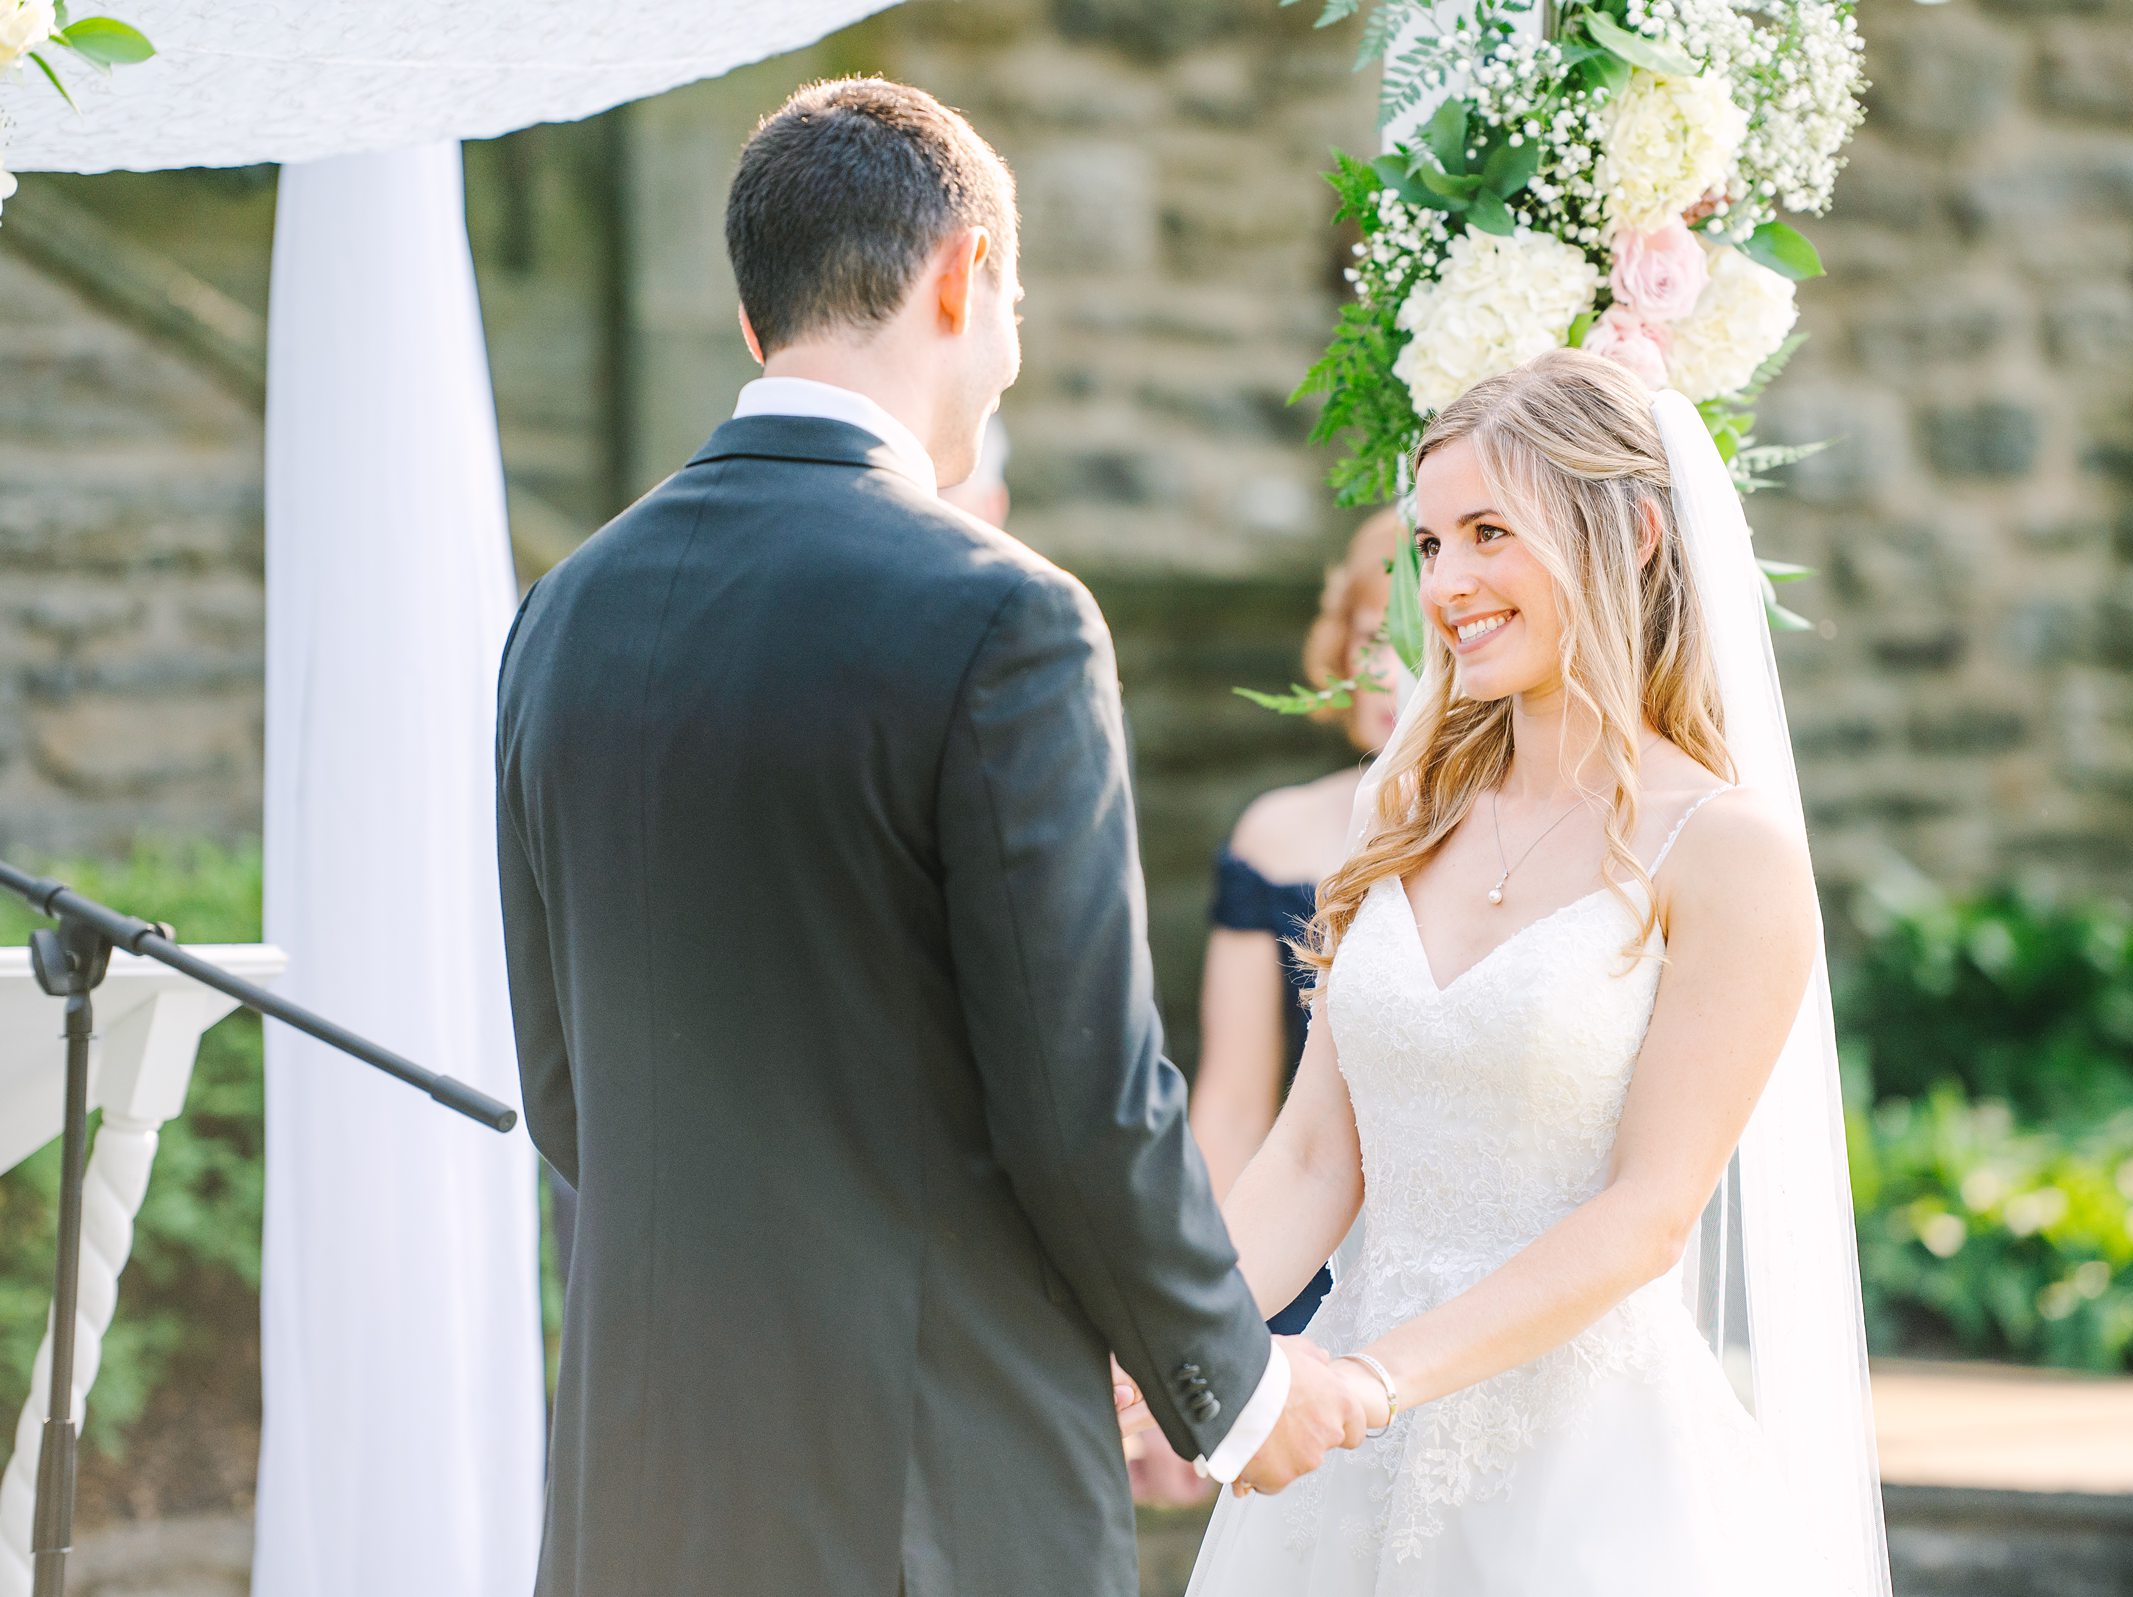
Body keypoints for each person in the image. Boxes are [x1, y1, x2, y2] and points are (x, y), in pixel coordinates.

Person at [494, 77, 1369, 1596]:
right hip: (921, 1497)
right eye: (1013, 299)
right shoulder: (1002, 613)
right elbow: (1080, 1093)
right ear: (963, 274)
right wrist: (1238, 1384)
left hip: (637, 1486)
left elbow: (566, 1091)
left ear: (757, 317)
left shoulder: (559, 616)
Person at [1178, 349, 1886, 1592]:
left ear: (1637, 535)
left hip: (1584, 1477)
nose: (1446, 585)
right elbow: (1310, 1158)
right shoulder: (1404, 803)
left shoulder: (1726, 850)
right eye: (1431, 543)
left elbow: (1647, 1212)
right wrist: (1182, 1348)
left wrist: (1377, 1382)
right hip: (1341, 1453)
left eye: (1489, 533)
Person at [1123, 515, 1398, 1506]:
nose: (1383, 665)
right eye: (1369, 632)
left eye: (1407, 637)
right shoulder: (1278, 833)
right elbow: (1236, 1104)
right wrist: (1190, 1328)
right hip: (1296, 1250)